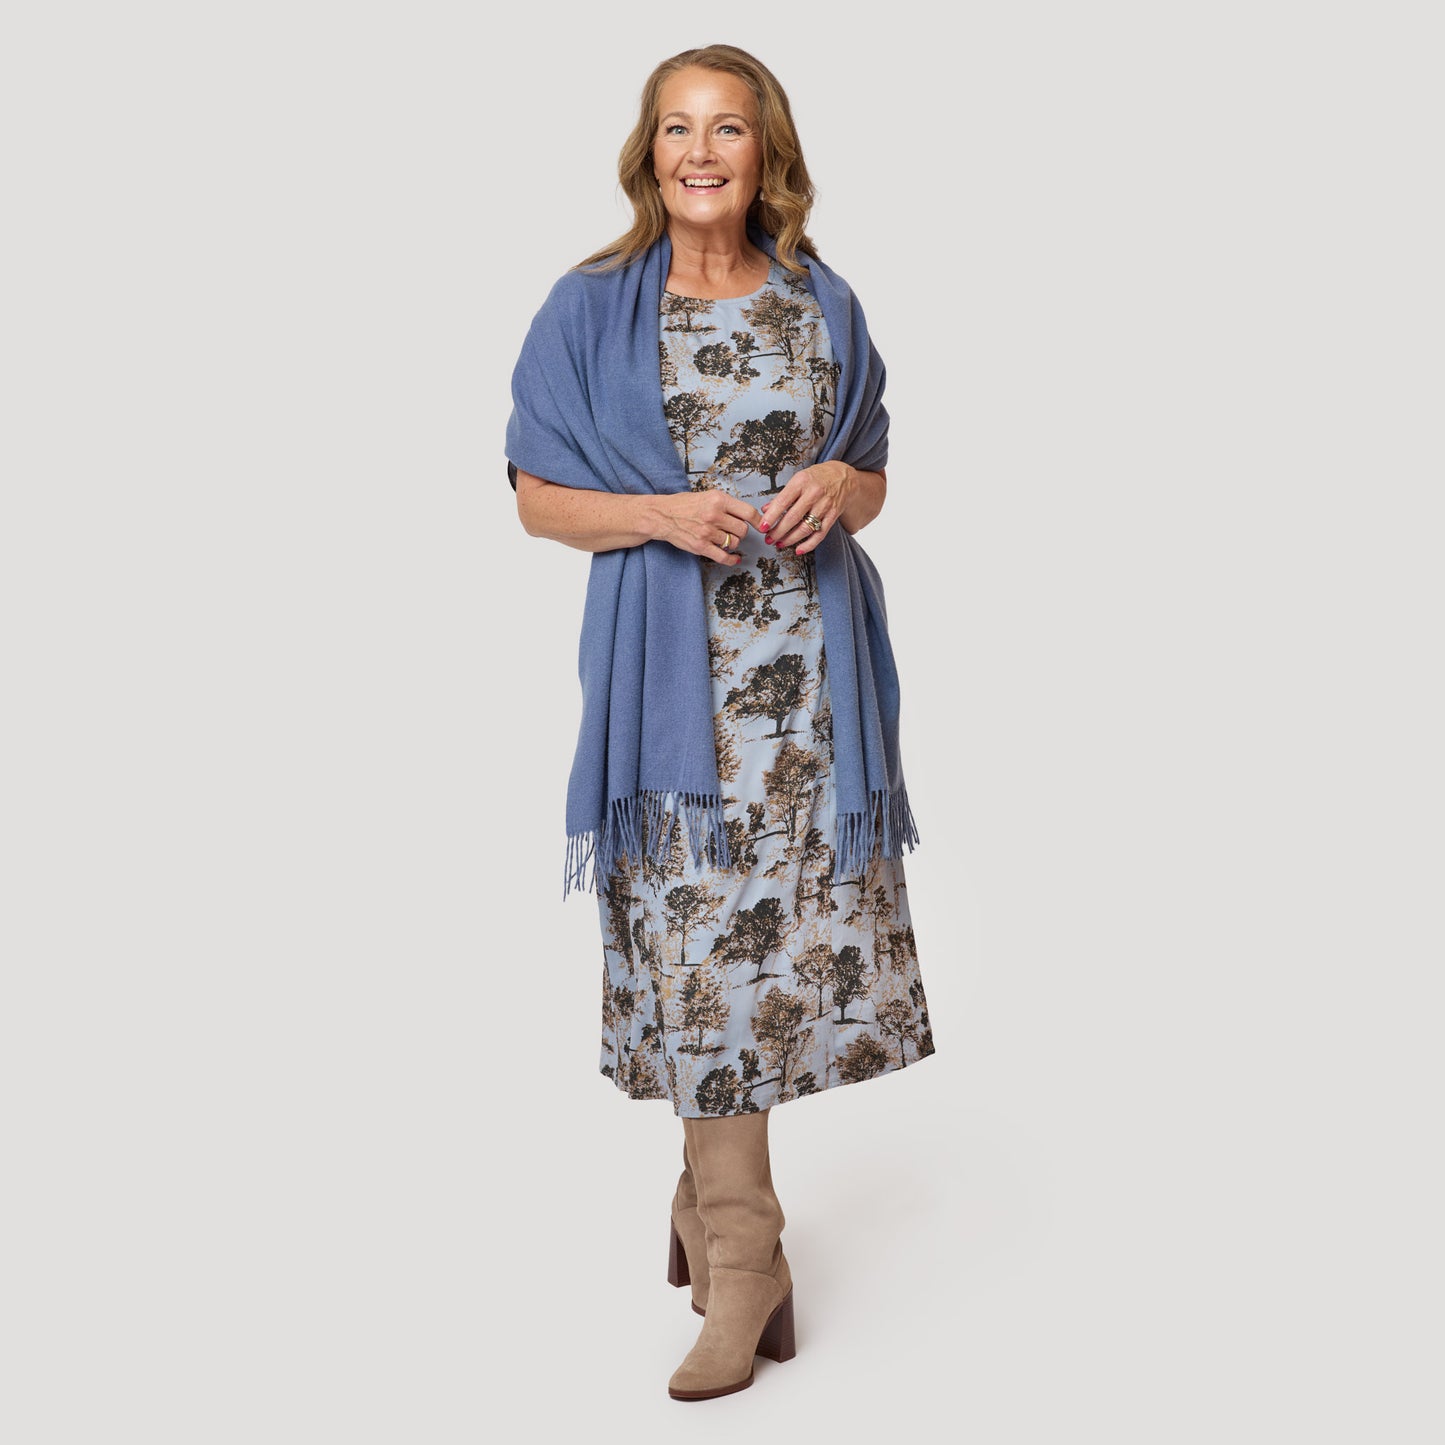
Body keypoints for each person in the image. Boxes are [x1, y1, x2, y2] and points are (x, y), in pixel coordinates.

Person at [505, 44, 935, 1401]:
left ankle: (711, 1218)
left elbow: (872, 472)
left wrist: (840, 486)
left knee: (765, 961)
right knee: (697, 955)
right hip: (669, 700)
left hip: (809, 689)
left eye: (729, 128)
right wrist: (659, 514)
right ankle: (747, 1252)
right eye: (678, 128)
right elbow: (535, 496)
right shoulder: (590, 309)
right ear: (650, 151)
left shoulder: (821, 302)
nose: (702, 151)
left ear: (766, 152)